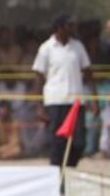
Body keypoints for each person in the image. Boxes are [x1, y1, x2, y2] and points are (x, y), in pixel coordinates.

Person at [32, 15, 98, 168]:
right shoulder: (46, 48)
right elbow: (38, 78)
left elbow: (88, 73)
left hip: (76, 102)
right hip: (55, 102)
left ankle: (69, 168)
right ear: (59, 28)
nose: (73, 29)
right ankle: (57, 177)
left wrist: (94, 100)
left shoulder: (78, 47)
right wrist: (38, 105)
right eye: (69, 26)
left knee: (80, 142)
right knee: (57, 144)